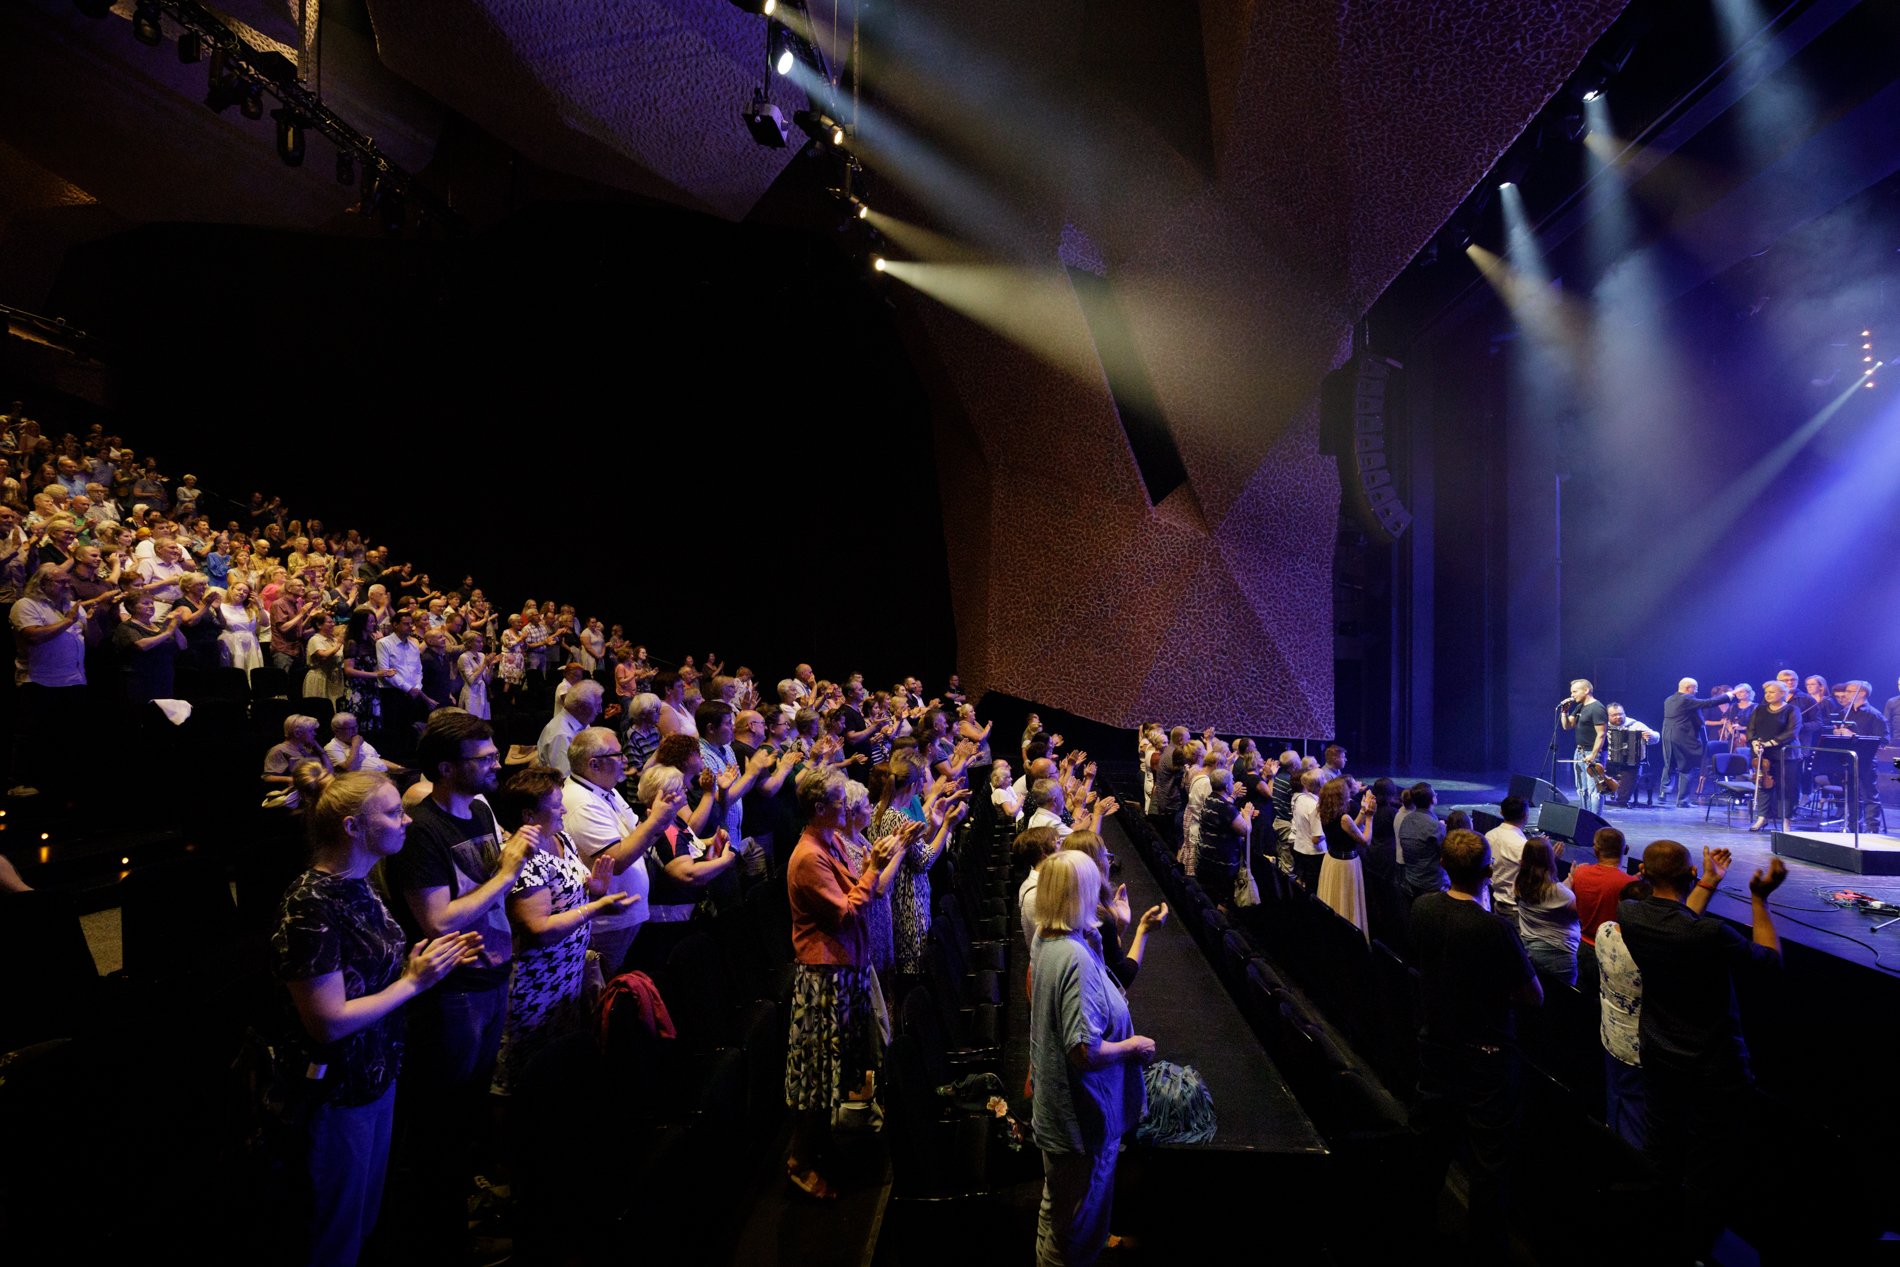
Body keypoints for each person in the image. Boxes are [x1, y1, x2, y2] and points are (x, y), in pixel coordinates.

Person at [272, 772, 482, 1267]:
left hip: (378, 1075)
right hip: (337, 1091)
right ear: (351, 826)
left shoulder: (362, 884)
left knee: (363, 1223)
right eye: (392, 813)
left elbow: (370, 972)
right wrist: (414, 983)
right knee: (331, 1237)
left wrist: (429, 958)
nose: (406, 819)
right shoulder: (311, 903)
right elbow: (328, 1021)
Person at [380, 712, 536, 1257]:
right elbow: (439, 920)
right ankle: (437, 1239)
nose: (497, 763)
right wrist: (508, 871)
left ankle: (462, 1219)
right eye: (485, 757)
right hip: (454, 992)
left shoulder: (480, 807)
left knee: (468, 1110)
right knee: (440, 1120)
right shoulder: (422, 831)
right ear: (448, 768)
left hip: (493, 972)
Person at [1616, 840, 1787, 1261]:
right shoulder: (1710, 934)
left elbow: (1678, 919)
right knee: (1708, 1169)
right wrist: (1759, 899)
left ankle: (1654, 1242)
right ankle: (1693, 1253)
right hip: (1715, 1068)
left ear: (1642, 872)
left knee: (1661, 1154)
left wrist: (1708, 882)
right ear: (1688, 875)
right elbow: (1769, 960)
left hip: (1658, 1054)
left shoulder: (1629, 914)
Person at [1408, 829, 1542, 1265]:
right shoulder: (1495, 929)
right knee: (1488, 1167)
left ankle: (1415, 1232)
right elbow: (1533, 995)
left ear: (1443, 866)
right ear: (1489, 871)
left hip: (1435, 1047)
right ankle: (1487, 1255)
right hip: (1486, 1060)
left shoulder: (1423, 906)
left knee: (1431, 1148)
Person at [784, 767, 906, 1200]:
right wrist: (876, 866)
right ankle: (799, 1160)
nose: (851, 808)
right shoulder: (808, 856)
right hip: (824, 978)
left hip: (845, 969)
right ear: (820, 809)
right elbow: (846, 913)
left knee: (837, 1071)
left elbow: (859, 889)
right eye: (841, 802)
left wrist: (878, 861)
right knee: (815, 1078)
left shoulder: (831, 840)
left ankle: (825, 1148)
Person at [1029, 850, 1153, 1267]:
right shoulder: (1074, 958)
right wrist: (1133, 1048)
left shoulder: (1046, 935)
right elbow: (1084, 1051)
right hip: (1079, 1120)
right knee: (1075, 1230)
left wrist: (1098, 944)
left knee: (1059, 1212)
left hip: (1059, 1110)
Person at [489, 764, 634, 1096]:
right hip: (533, 982)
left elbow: (572, 891)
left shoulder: (559, 837)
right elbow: (538, 929)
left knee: (554, 1065)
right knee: (517, 1076)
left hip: (565, 974)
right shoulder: (522, 858)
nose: (564, 809)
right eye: (556, 805)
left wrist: (595, 886)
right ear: (528, 815)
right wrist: (594, 907)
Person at [560, 727, 671, 976]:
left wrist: (661, 820)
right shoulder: (580, 803)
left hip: (623, 917)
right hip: (606, 925)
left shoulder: (605, 790)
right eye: (617, 755)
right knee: (608, 991)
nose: (625, 761)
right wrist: (655, 822)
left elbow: (638, 836)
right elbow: (616, 860)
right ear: (594, 764)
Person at [10, 564, 104, 798]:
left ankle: (62, 782)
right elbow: (33, 636)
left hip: (74, 679)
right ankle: (19, 782)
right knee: (31, 735)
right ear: (41, 584)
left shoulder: (73, 607)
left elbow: (92, 642)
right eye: (59, 581)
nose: (66, 586)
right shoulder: (26, 605)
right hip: (39, 679)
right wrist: (68, 621)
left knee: (68, 734)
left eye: (67, 582)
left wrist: (92, 621)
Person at [1595, 880, 1650, 1149]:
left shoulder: (1604, 932)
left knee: (1615, 1098)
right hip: (1640, 1048)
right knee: (1638, 1116)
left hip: (1610, 1036)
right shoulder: (1649, 953)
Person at [1567, 827, 1629, 989]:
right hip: (1615, 952)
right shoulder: (1629, 885)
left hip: (1586, 947)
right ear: (1626, 849)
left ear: (1595, 850)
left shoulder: (1580, 873)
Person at [1512, 836, 1579, 985]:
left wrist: (1570, 878)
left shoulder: (1520, 881)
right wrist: (1576, 879)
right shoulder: (1557, 892)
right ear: (1549, 860)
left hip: (1530, 949)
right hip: (1557, 955)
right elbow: (1580, 912)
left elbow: (1555, 896)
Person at [1658, 679, 1732, 807]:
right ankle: (1683, 801)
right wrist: (1727, 696)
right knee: (1687, 767)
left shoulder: (1669, 699)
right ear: (1688, 688)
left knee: (1669, 764)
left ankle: (1663, 793)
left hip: (1668, 736)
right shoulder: (1687, 699)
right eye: (1695, 688)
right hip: (1683, 737)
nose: (1696, 691)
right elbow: (1709, 702)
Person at [1317, 778, 1373, 940]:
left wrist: (1362, 811)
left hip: (1331, 861)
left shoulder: (1324, 810)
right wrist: (1369, 817)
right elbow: (1365, 840)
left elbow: (1348, 829)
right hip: (1346, 864)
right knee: (1346, 901)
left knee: (1333, 898)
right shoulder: (1343, 818)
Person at [111, 592, 186, 706]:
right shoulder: (126, 626)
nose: (151, 606)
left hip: (164, 676)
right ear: (131, 607)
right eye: (146, 603)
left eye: (152, 603)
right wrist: (168, 632)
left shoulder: (160, 625)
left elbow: (183, 645)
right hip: (140, 679)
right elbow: (141, 645)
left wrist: (174, 627)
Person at [374, 612, 430, 763]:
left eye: (411, 624)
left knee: (411, 728)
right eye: (406, 624)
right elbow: (385, 671)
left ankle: (410, 761)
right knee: (394, 729)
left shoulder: (413, 644)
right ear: (395, 624)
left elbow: (418, 670)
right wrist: (407, 688)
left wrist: (417, 687)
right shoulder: (384, 643)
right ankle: (396, 763)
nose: (410, 627)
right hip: (393, 692)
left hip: (413, 692)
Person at [1195, 767, 1254, 905]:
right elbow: (1245, 830)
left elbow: (1222, 811)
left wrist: (1232, 798)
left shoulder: (1210, 799)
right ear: (1227, 786)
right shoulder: (1227, 808)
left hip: (1206, 858)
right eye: (1232, 782)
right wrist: (1247, 815)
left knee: (1210, 898)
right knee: (1224, 900)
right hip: (1222, 863)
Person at [1746, 679, 1799, 832]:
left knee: (1785, 788)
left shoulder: (1791, 710)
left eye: (1772, 692)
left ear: (1783, 694)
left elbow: (1791, 732)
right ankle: (1762, 818)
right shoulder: (1759, 709)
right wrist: (1755, 743)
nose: (1768, 695)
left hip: (1785, 755)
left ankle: (1786, 821)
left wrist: (1769, 743)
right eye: (1766, 692)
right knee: (1763, 785)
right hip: (1762, 754)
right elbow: (1751, 729)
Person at [1559, 678, 1609, 812]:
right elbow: (1567, 725)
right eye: (1571, 692)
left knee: (1594, 790)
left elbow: (1601, 734)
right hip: (1580, 752)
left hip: (1593, 753)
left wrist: (1593, 755)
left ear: (1586, 691)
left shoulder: (1597, 708)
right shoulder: (1580, 706)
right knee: (1582, 789)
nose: (1572, 695)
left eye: (1575, 692)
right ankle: (1586, 817)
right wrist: (1565, 711)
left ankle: (1595, 821)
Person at [536, 679, 601, 776]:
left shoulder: (581, 723)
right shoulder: (562, 735)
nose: (600, 710)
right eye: (596, 705)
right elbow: (563, 780)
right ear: (581, 707)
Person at [1600, 703, 1659, 808]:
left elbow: (1656, 736)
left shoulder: (1634, 724)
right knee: (1597, 768)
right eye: (1614, 715)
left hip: (1628, 762)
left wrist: (1651, 736)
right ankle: (1600, 798)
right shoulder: (1603, 725)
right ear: (1607, 715)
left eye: (1620, 714)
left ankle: (1622, 801)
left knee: (1634, 770)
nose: (1618, 717)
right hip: (1608, 761)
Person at [1484, 796, 1533, 923]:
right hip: (1516, 909)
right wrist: (1549, 857)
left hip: (1495, 901)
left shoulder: (1489, 835)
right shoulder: (1522, 845)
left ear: (1501, 813)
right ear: (1526, 816)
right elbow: (1535, 875)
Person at [1397, 782, 1446, 902]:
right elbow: (1445, 856)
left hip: (1411, 881)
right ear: (1432, 800)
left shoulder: (1406, 820)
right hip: (1432, 886)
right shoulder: (1436, 827)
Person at [1288, 768, 1325, 891]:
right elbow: (1317, 838)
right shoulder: (1315, 806)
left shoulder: (1300, 799)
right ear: (1321, 784)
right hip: (1313, 854)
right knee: (1313, 889)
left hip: (1300, 848)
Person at [302, 612, 347, 705]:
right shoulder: (315, 640)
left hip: (336, 677)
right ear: (319, 625)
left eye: (333, 622)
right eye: (329, 622)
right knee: (321, 707)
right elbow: (323, 655)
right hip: (320, 677)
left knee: (336, 705)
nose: (333, 624)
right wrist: (338, 645)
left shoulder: (334, 640)